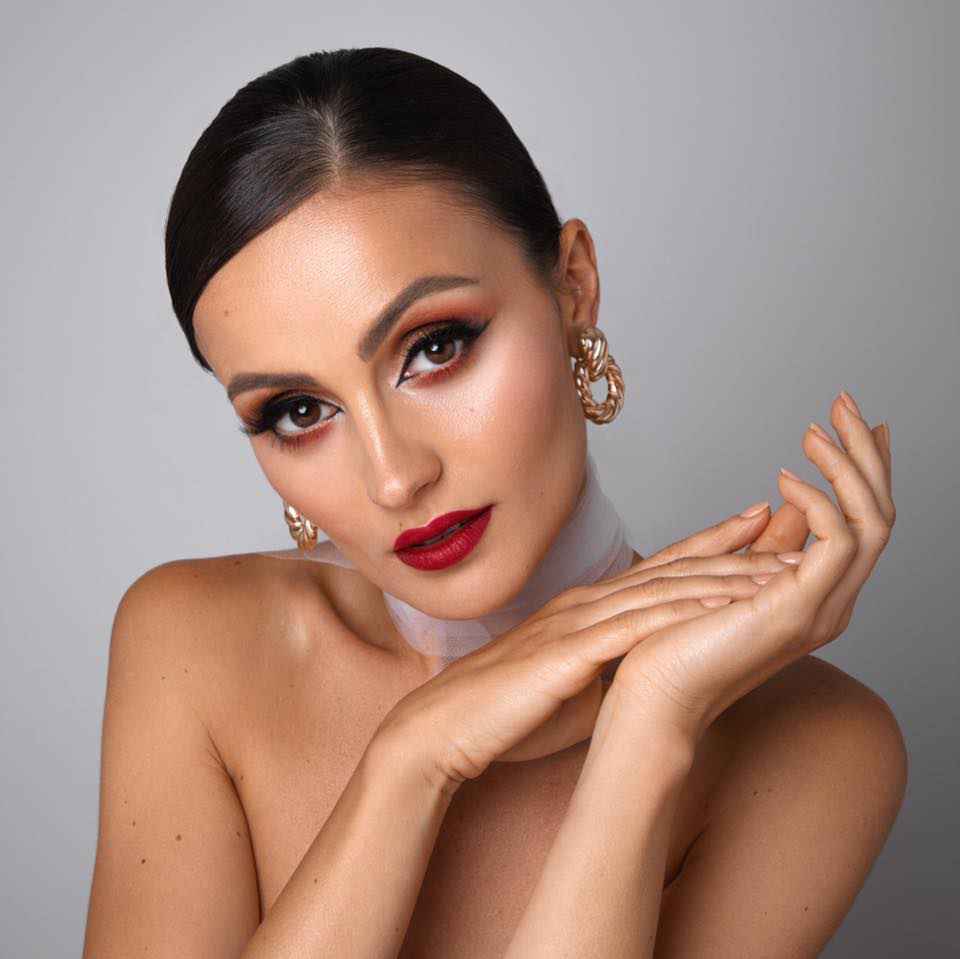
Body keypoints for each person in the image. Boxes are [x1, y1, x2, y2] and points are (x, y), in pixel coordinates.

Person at [82, 47, 905, 958]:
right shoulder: (192, 649)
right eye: (300, 411)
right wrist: (411, 759)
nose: (394, 478)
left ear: (572, 286)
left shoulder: (816, 744)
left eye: (435, 347)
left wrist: (649, 723)